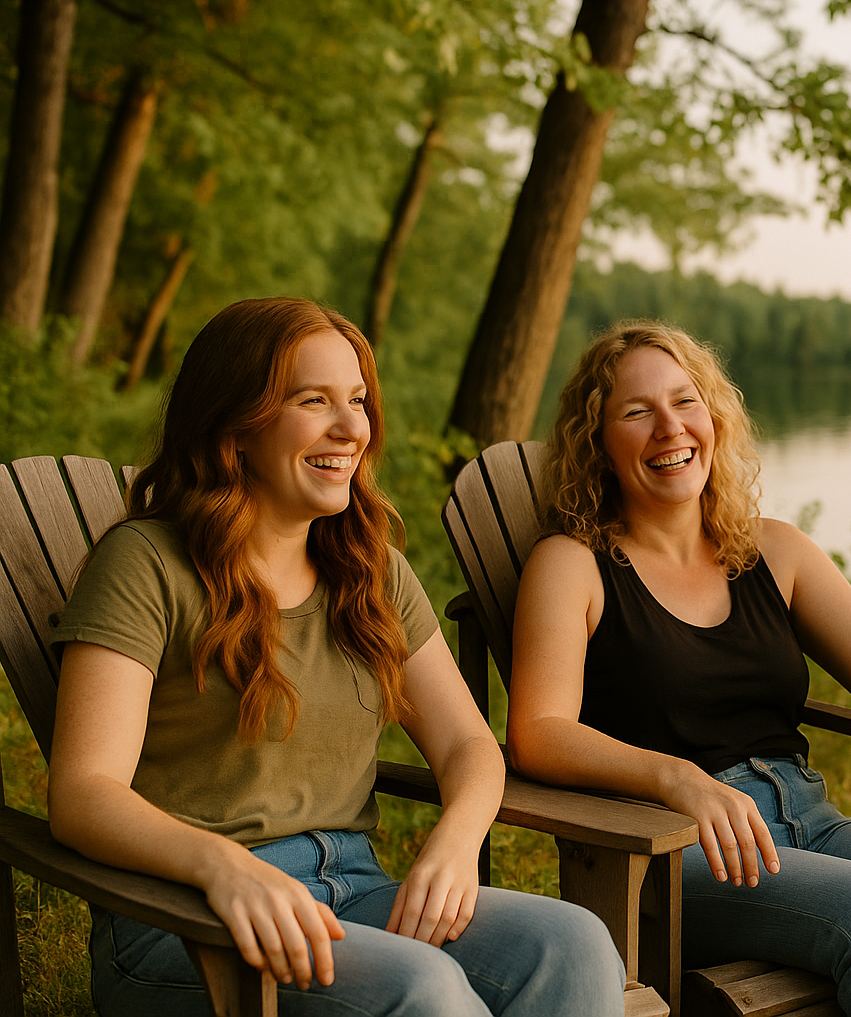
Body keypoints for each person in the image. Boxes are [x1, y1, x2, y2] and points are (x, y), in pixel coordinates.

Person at [48, 297, 626, 1017]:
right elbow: (82, 793)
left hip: (353, 891)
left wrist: (454, 840)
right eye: (312, 400)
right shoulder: (146, 564)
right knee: (426, 992)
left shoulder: (369, 569)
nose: (352, 427)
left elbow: (470, 745)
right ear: (235, 425)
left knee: (575, 944)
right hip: (187, 916)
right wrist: (223, 867)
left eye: (356, 400)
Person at [506, 320, 851, 1017]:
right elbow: (538, 730)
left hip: (811, 822)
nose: (670, 427)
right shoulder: (573, 565)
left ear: (713, 417)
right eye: (637, 412)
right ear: (598, 442)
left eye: (685, 401)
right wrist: (679, 779)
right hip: (676, 847)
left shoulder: (773, 554)